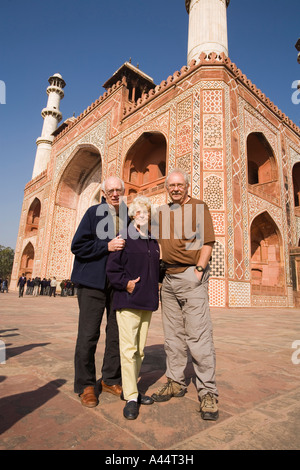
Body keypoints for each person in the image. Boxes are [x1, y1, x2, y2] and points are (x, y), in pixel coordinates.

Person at [151, 168, 219, 421]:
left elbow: (207, 243)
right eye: (172, 185)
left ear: (187, 186)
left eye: (180, 185)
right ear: (167, 188)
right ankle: (176, 382)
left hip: (191, 277)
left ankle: (208, 392)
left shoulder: (199, 208)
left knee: (199, 337)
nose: (176, 188)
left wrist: (199, 271)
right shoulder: (161, 212)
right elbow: (157, 245)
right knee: (173, 337)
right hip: (168, 279)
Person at [71, 176, 129, 408]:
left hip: (117, 285)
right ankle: (85, 385)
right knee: (88, 335)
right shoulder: (93, 213)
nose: (115, 194)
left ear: (124, 192)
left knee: (116, 334)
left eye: (119, 190)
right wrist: (105, 246)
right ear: (104, 193)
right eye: (111, 190)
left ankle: (109, 379)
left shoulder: (128, 216)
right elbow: (78, 246)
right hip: (92, 283)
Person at [106, 196, 160, 420]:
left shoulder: (152, 241)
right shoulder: (125, 237)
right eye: (139, 212)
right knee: (128, 350)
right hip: (128, 302)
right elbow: (112, 268)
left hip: (146, 302)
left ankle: (132, 390)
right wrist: (125, 284)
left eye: (146, 212)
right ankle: (130, 396)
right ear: (133, 215)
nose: (143, 216)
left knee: (139, 350)